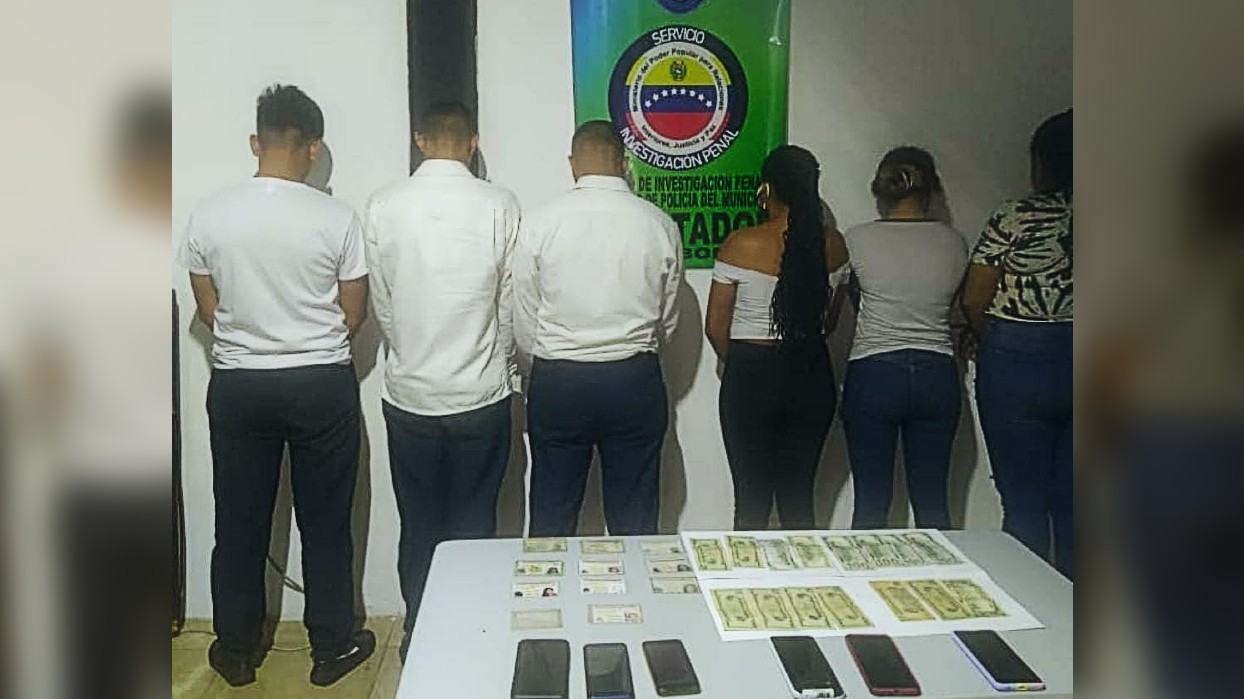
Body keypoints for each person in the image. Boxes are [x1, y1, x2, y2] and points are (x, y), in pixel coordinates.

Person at [178, 85, 374, 687]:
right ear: (313, 148)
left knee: (239, 521)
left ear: (254, 142)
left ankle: (237, 650)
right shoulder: (338, 218)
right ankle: (332, 647)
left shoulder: (209, 213)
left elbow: (207, 308)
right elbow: (354, 312)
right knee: (327, 521)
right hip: (319, 383)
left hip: (239, 384)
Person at [363, 101, 519, 661]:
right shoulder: (500, 204)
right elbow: (509, 305)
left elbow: (382, 301)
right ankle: (471, 635)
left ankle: (419, 631)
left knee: (419, 522)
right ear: (473, 143)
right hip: (480, 393)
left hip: (410, 393)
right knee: (476, 522)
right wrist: (498, 364)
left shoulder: (383, 204)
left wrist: (407, 351)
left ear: (419, 140)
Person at [513, 120, 682, 537]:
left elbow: (524, 312)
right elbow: (668, 317)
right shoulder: (658, 223)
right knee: (635, 517)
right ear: (623, 163)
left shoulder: (540, 223)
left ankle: (548, 581)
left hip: (559, 380)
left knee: (552, 512)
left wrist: (544, 361)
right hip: (633, 378)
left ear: (573, 163)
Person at [705, 145, 848, 530]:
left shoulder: (741, 243)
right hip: (811, 372)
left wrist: (743, 366)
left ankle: (746, 571)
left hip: (751, 375)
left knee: (750, 502)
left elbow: (715, 327)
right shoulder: (833, 244)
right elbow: (830, 322)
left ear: (766, 190)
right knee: (799, 502)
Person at [961, 109, 1073, 578]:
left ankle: (1029, 603)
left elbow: (975, 297)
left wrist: (996, 339)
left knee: (1024, 502)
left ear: (1041, 161)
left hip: (1017, 357)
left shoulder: (1016, 215)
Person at [837, 147, 968, 530]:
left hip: (874, 372)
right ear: (934, 188)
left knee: (871, 504)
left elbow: (854, 300)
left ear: (880, 189)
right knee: (933, 505)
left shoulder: (856, 239)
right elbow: (957, 306)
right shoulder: (953, 241)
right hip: (936, 371)